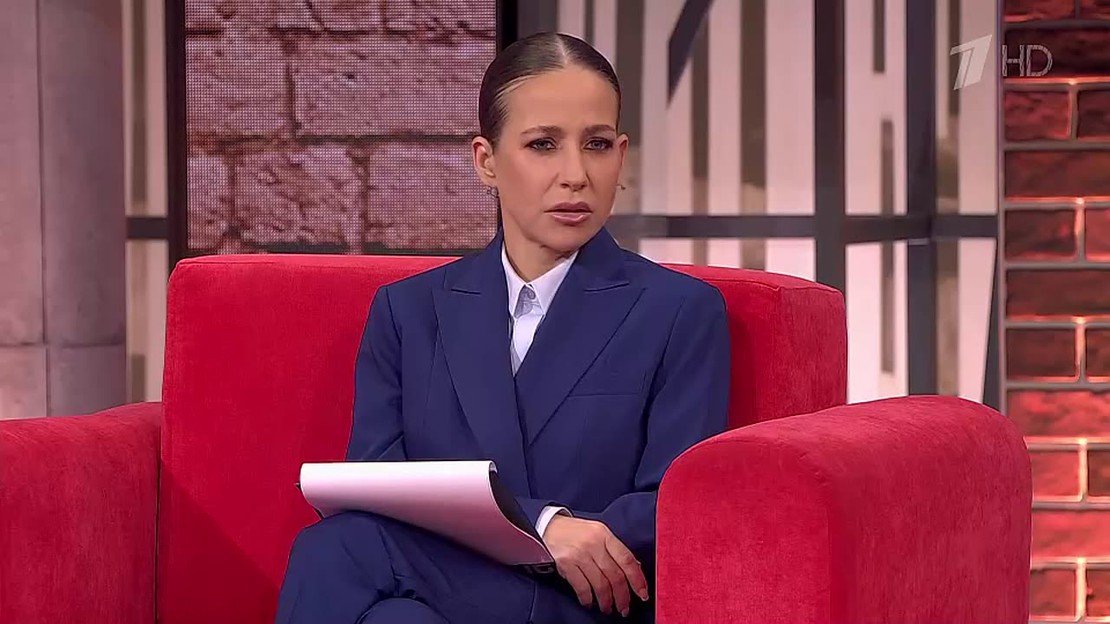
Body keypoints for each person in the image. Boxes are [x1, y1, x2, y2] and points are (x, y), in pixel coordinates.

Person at [274, 32, 731, 624]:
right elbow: (379, 493)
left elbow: (675, 502)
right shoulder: (408, 312)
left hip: (582, 604)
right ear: (486, 161)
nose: (575, 174)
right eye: (543, 144)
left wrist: (555, 537)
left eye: (596, 144)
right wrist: (543, 522)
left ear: (620, 155)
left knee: (336, 549)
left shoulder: (679, 311)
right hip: (441, 591)